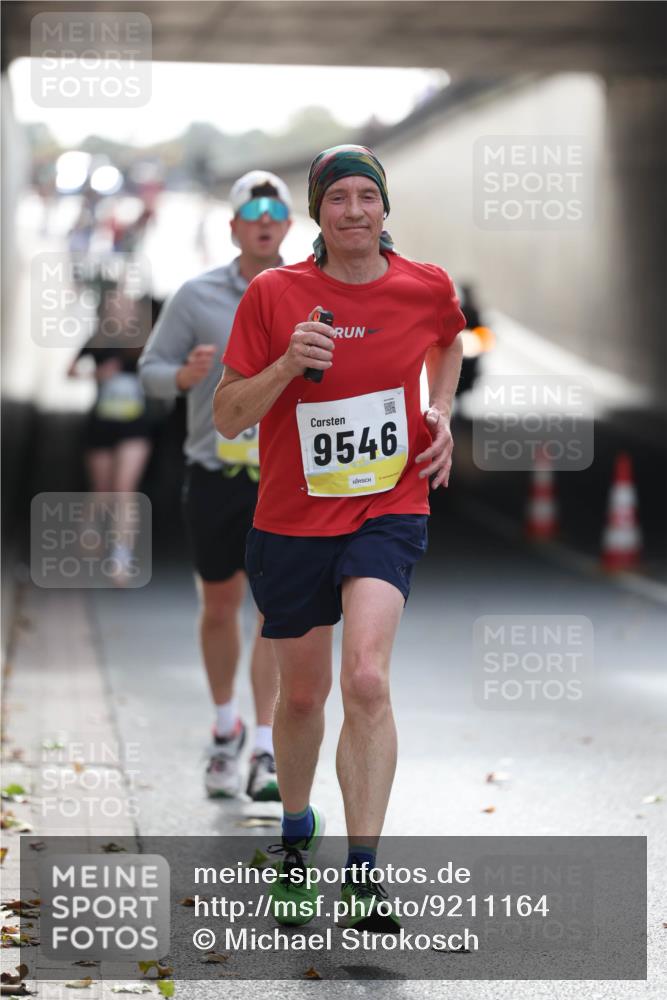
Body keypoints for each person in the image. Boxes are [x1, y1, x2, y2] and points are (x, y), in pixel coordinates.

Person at [214, 145, 465, 931]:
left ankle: (362, 873)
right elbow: (227, 415)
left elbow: (447, 339)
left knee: (364, 679)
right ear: (316, 214)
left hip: (390, 507)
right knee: (302, 695)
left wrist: (442, 411)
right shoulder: (275, 294)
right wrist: (288, 363)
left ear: (384, 207)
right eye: (338, 199)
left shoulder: (425, 286)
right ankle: (296, 836)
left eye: (368, 196)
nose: (354, 211)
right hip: (290, 520)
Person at [139, 170, 293, 801]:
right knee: (221, 607)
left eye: (273, 211)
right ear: (233, 227)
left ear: (286, 225)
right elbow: (147, 372)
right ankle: (225, 726)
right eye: (250, 212)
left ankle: (264, 746)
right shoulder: (196, 296)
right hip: (214, 474)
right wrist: (183, 375)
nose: (262, 220)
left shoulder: (306, 292)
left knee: (274, 615)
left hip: (285, 479)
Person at [69, 288, 157, 585]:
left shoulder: (144, 341)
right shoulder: (97, 341)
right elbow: (69, 372)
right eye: (115, 307)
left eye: (126, 307)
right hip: (101, 426)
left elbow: (161, 373)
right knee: (103, 490)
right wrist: (96, 376)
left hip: (134, 427)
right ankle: (90, 526)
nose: (120, 312)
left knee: (124, 490)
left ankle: (121, 555)